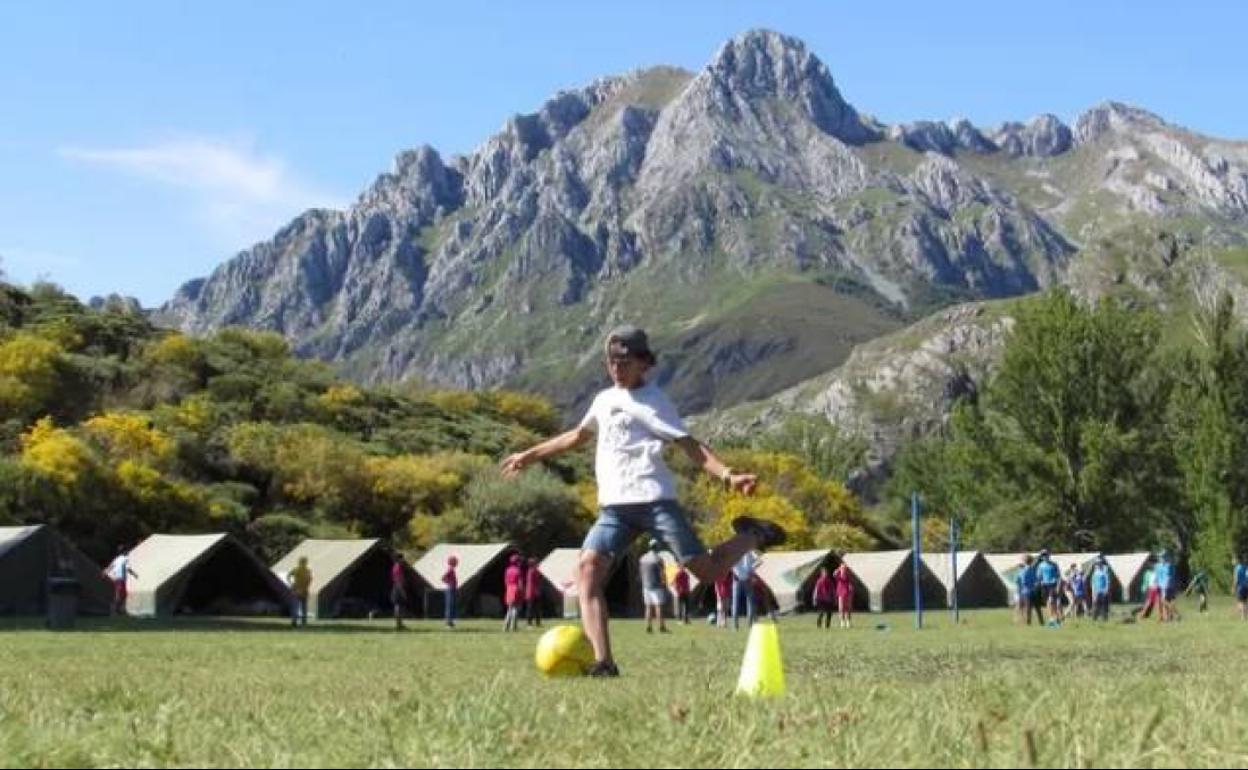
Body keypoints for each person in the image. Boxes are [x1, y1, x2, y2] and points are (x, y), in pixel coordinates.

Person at [500, 325, 786, 677]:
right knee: (586, 572)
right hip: (614, 509)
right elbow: (577, 436)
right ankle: (604, 662)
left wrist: (727, 474)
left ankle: (752, 535)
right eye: (610, 361)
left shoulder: (655, 401)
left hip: (654, 502)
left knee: (707, 573)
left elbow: (688, 444)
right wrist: (529, 455)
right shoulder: (604, 400)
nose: (616, 368)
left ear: (642, 363)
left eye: (624, 361)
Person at [639, 540, 669, 634]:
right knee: (658, 606)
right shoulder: (658, 559)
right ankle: (661, 626)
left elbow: (640, 572)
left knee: (648, 606)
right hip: (657, 586)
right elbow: (662, 574)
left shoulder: (642, 558)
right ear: (657, 547)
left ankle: (648, 626)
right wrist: (665, 584)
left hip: (645, 586)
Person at [104, 546, 138, 616]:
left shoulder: (116, 559)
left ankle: (120, 610)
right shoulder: (125, 559)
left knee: (123, 595)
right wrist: (134, 574)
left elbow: (111, 566)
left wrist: (105, 572)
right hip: (121, 579)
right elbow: (128, 568)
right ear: (124, 552)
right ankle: (114, 611)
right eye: (127, 551)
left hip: (116, 578)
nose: (128, 552)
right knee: (119, 595)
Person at [732, 551, 759, 630]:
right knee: (750, 601)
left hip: (737, 578)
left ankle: (735, 625)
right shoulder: (749, 550)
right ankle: (750, 624)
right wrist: (751, 571)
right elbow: (759, 561)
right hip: (748, 577)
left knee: (735, 602)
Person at [286, 556, 312, 628]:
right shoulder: (307, 570)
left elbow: (288, 576)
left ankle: (295, 622)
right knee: (303, 608)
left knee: (296, 607)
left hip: (297, 590)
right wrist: (306, 587)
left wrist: (291, 583)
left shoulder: (297, 569)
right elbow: (310, 580)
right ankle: (302, 623)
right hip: (302, 591)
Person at [1036, 550, 1061, 624]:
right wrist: (1040, 582)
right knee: (1048, 602)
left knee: (1051, 601)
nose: (1044, 557)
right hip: (1044, 585)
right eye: (1043, 555)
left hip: (1052, 584)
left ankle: (1055, 617)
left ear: (1049, 555)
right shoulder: (1040, 565)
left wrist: (1058, 586)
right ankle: (1052, 618)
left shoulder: (1054, 564)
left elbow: (1058, 576)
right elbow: (1039, 576)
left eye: (1046, 555)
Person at [503, 554, 524, 632]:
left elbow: (505, 581)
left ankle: (505, 626)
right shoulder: (518, 571)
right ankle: (513, 626)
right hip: (516, 589)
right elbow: (520, 582)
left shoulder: (507, 570)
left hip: (509, 589)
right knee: (515, 609)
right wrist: (521, 591)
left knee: (509, 609)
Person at [390, 552, 410, 631]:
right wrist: (402, 591)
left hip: (397, 586)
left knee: (399, 606)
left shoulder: (395, 567)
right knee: (398, 606)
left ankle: (399, 624)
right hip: (398, 587)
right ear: (398, 559)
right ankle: (398, 624)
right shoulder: (398, 567)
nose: (403, 560)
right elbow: (399, 580)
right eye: (402, 558)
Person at [833, 560, 855, 629]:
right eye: (842, 568)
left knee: (848, 608)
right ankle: (842, 622)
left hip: (848, 593)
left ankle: (848, 622)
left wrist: (851, 587)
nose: (844, 569)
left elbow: (851, 583)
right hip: (840, 593)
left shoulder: (848, 576)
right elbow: (834, 574)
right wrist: (838, 569)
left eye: (844, 568)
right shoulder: (839, 576)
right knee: (841, 608)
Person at [1090, 556, 1112, 622]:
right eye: (1097, 563)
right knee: (1096, 605)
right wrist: (1093, 591)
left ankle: (1104, 618)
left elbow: (1107, 581)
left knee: (1104, 605)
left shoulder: (1105, 571)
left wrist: (1106, 589)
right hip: (1096, 591)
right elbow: (1092, 582)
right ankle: (1094, 618)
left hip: (1103, 591)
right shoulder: (1095, 572)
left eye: (1099, 563)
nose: (1098, 565)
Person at [524, 556, 543, 627]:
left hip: (531, 592)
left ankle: (534, 622)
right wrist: (537, 591)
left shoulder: (530, 571)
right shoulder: (533, 571)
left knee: (533, 608)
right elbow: (535, 582)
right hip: (533, 592)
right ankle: (531, 623)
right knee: (533, 609)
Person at [442, 555, 458, 628]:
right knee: (449, 605)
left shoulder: (452, 569)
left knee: (452, 605)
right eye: (455, 561)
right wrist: (449, 583)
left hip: (452, 588)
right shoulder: (450, 569)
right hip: (450, 588)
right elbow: (443, 578)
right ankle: (448, 622)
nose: (457, 563)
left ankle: (451, 621)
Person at [1234, 555, 1248, 621]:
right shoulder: (1247, 569)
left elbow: (1236, 579)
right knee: (1245, 602)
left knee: (1240, 601)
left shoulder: (1239, 569)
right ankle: (1245, 616)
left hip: (1241, 586)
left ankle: (1242, 617)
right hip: (1247, 586)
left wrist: (1234, 587)